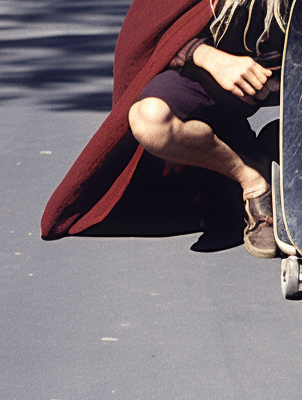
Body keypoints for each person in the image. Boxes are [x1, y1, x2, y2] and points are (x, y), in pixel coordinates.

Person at [41, 0, 287, 258]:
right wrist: (209, 57)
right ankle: (255, 180)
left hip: (286, 72)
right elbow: (151, 28)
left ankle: (280, 148)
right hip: (204, 74)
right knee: (151, 120)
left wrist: (277, 80)